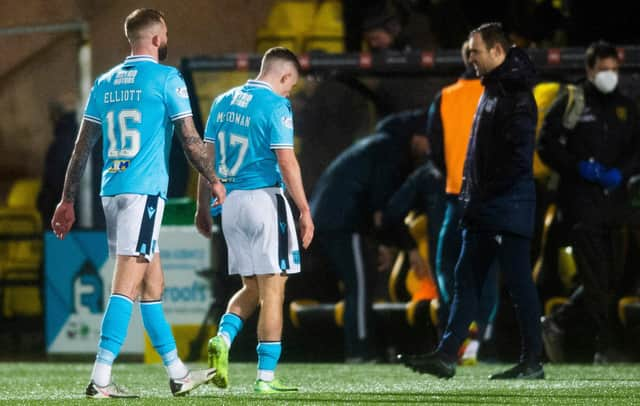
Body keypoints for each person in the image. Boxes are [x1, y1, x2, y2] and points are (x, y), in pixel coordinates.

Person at [51, 8, 226, 398]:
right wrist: (214, 180)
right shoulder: (167, 78)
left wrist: (66, 199)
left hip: (112, 191)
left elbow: (82, 148)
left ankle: (178, 373)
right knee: (126, 283)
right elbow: (190, 140)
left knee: (153, 284)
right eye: (166, 33)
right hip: (143, 192)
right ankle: (100, 378)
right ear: (158, 38)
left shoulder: (105, 82)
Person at [401, 22, 544, 380]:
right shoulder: (494, 88)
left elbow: (516, 156)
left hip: (504, 206)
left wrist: (488, 195)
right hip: (483, 206)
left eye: (476, 50)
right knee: (465, 277)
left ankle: (532, 362)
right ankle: (448, 354)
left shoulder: (515, 94)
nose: (471, 57)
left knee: (518, 283)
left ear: (497, 51)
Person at [195, 47, 314, 394]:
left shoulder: (222, 101)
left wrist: (202, 208)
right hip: (263, 200)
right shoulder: (277, 105)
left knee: (252, 287)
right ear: (285, 77)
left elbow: (207, 160)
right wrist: (304, 209)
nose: (289, 93)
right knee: (274, 292)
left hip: (229, 205)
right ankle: (265, 378)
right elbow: (287, 162)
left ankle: (223, 339)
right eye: (291, 86)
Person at [537, 41, 640, 363]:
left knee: (613, 279)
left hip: (615, 204)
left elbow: (637, 150)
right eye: (604, 69)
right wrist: (578, 167)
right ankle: (602, 348)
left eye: (614, 69)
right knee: (596, 278)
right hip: (580, 203)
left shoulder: (625, 106)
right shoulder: (572, 102)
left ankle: (560, 321)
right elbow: (546, 145)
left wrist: (620, 173)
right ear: (589, 70)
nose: (610, 75)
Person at [310, 109, 430, 362]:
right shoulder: (392, 151)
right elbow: (382, 208)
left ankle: (362, 348)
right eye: (429, 139)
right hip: (342, 221)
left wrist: (381, 243)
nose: (430, 148)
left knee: (359, 284)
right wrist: (408, 247)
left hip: (333, 218)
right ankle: (360, 351)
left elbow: (373, 205)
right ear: (417, 136)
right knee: (360, 286)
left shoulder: (381, 144)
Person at [427, 40, 499, 363]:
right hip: (492, 199)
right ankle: (480, 337)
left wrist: (456, 175)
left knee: (447, 265)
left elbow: (435, 153)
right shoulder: (499, 96)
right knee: (488, 270)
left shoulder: (445, 97)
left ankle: (462, 332)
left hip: (457, 197)